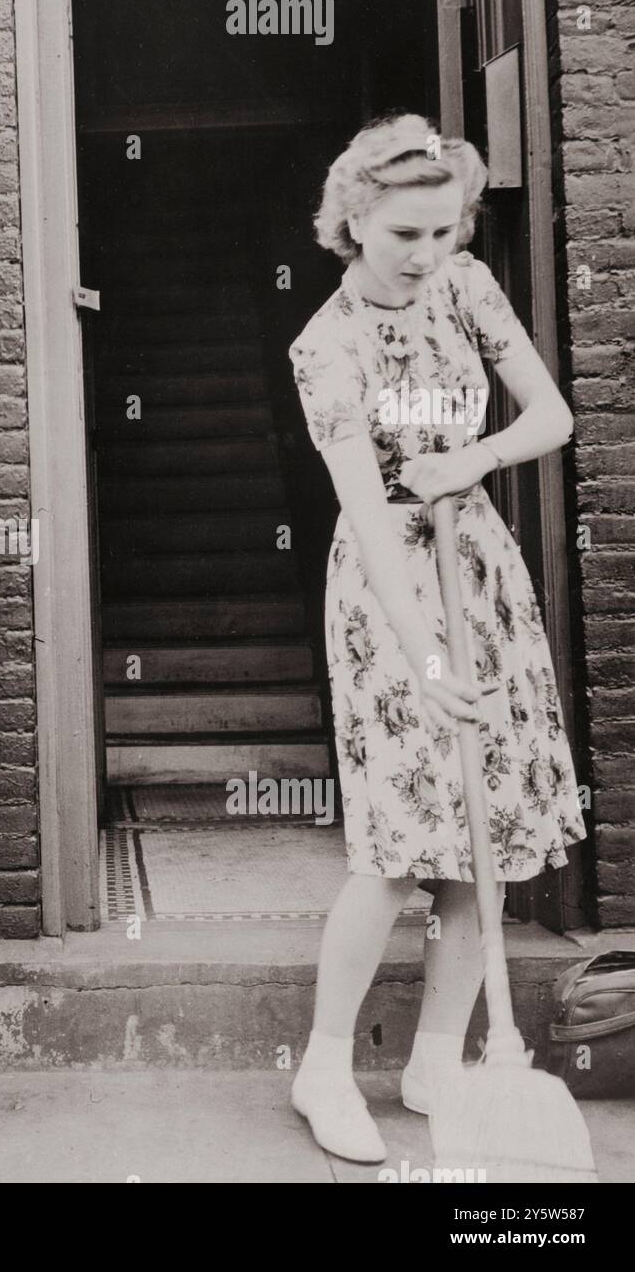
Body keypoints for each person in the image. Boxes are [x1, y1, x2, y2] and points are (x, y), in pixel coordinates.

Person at [286, 114, 586, 1164]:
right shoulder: (324, 348)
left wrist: (471, 461)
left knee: (483, 839)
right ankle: (324, 1066)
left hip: (482, 571)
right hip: (388, 597)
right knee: (396, 844)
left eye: (444, 232)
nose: (426, 255)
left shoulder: (464, 288)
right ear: (352, 220)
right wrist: (423, 662)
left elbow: (550, 418)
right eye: (404, 234)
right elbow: (366, 518)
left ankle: (431, 1062)